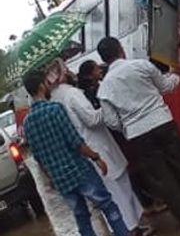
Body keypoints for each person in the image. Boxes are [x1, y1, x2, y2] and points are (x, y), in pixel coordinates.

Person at [96, 37, 180, 229]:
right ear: (121, 50)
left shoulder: (104, 88)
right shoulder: (141, 65)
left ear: (104, 60)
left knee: (162, 178)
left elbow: (111, 121)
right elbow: (166, 86)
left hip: (138, 135)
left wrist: (128, 127)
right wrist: (176, 74)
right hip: (162, 122)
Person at [47, 59, 154, 236]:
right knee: (118, 188)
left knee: (114, 188)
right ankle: (131, 228)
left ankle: (131, 226)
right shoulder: (71, 94)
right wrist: (107, 104)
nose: (69, 72)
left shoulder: (54, 99)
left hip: (89, 149)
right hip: (98, 147)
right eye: (65, 70)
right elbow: (92, 119)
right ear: (60, 74)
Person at [22, 69, 130, 236]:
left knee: (82, 217)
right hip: (79, 170)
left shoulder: (27, 123)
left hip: (61, 180)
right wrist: (96, 157)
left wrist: (51, 179)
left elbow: (38, 158)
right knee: (107, 205)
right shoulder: (55, 109)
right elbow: (75, 142)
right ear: (42, 86)